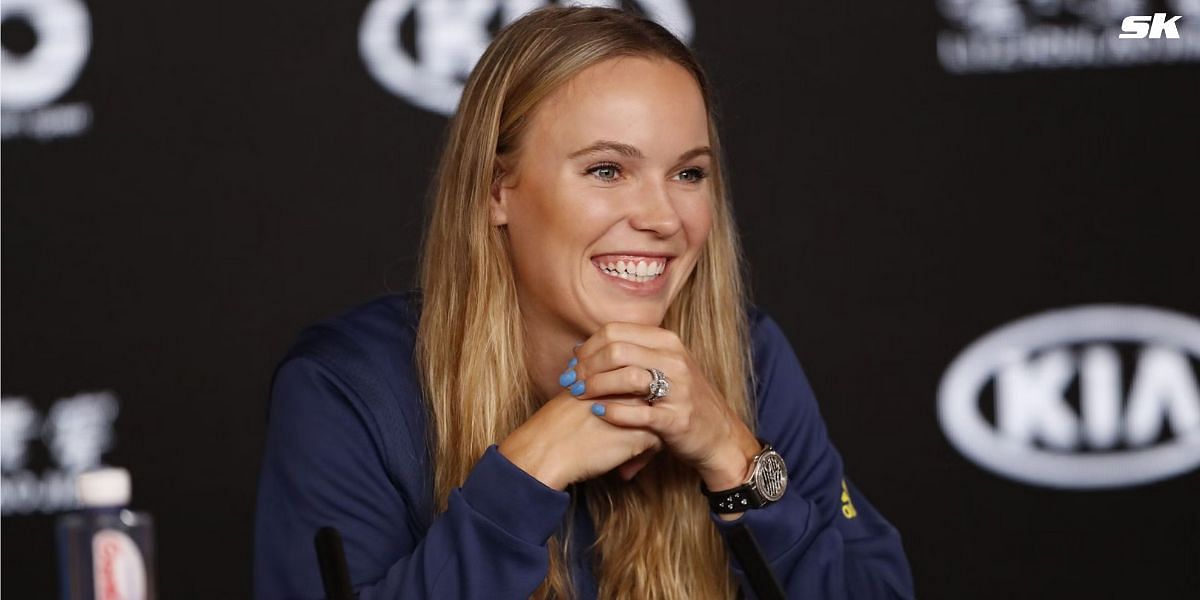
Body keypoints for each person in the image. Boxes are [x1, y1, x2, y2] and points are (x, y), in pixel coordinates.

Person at [254, 6, 913, 599]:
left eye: (689, 173)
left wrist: (732, 456)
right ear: (496, 190)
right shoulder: (347, 386)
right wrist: (533, 467)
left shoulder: (749, 356)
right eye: (607, 170)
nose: (662, 216)